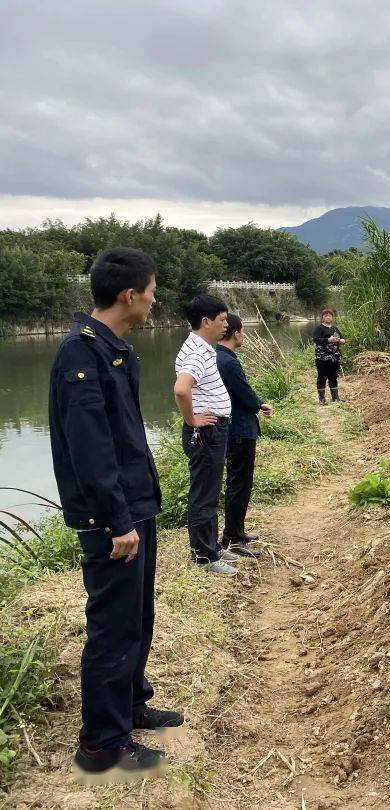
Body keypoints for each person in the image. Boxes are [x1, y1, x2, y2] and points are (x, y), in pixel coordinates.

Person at [49, 248, 181, 781]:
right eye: (152, 289)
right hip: (112, 518)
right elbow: (92, 452)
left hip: (134, 506)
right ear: (130, 294)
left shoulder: (116, 350)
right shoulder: (80, 355)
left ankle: (130, 704)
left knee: (138, 615)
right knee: (113, 624)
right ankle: (102, 742)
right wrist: (116, 522)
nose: (155, 298)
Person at [173, 294, 237, 576]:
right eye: (222, 320)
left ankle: (211, 547)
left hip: (212, 430)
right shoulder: (198, 353)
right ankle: (203, 556)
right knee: (204, 494)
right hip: (207, 432)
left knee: (209, 490)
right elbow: (181, 389)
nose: (226, 325)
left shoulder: (201, 347)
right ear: (206, 321)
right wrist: (192, 419)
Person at [216, 314, 273, 556]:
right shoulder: (228, 362)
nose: (244, 336)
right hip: (239, 431)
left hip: (233, 429)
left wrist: (258, 402)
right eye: (242, 331)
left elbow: (243, 393)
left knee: (237, 483)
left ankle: (235, 531)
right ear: (236, 332)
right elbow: (244, 394)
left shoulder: (219, 356)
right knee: (240, 484)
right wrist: (258, 404)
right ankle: (234, 537)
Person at [313, 308, 345, 405]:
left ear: (332, 317)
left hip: (335, 357)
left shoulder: (335, 328)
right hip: (322, 358)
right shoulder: (319, 328)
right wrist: (328, 340)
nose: (328, 316)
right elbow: (316, 340)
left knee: (333, 377)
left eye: (330, 315)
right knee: (322, 377)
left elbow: (342, 339)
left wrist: (341, 340)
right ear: (322, 318)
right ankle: (322, 399)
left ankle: (335, 397)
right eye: (326, 315)